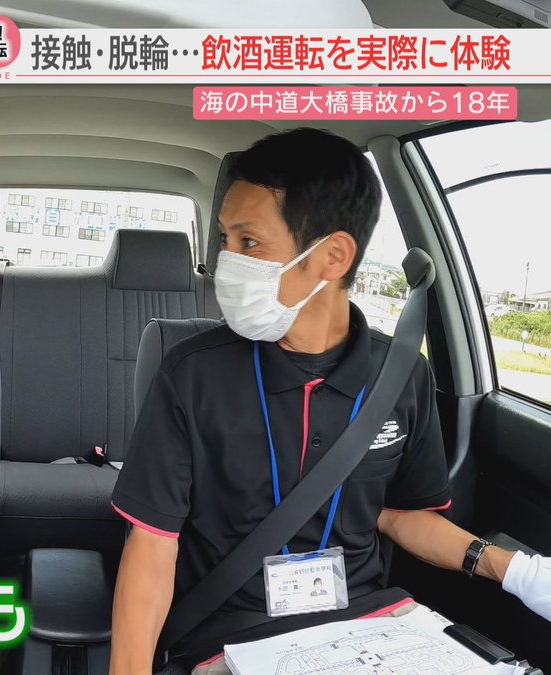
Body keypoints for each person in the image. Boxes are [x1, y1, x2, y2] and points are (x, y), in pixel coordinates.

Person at [108, 128, 551, 674]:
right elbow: (152, 548)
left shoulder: (402, 375)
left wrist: (514, 570)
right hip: (229, 636)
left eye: (249, 243)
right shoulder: (191, 373)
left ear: (333, 256)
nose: (226, 261)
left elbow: (401, 514)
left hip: (370, 625)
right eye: (224, 239)